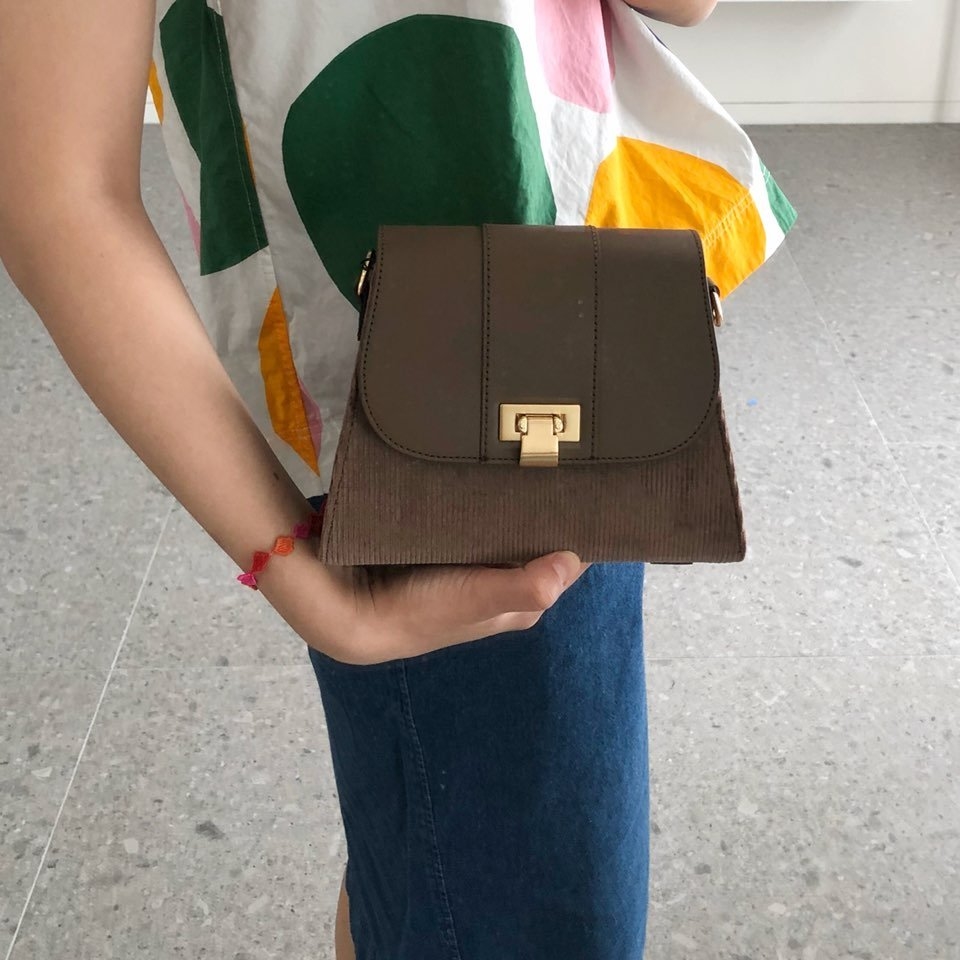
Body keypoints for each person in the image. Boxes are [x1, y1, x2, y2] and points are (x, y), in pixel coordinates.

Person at [0, 2, 795, 957]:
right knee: (512, 900)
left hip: (578, 285)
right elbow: (55, 193)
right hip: (399, 423)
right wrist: (297, 573)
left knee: (447, 871)